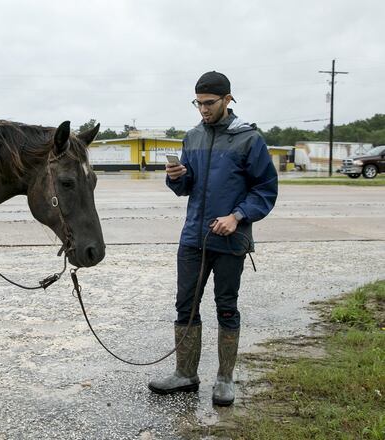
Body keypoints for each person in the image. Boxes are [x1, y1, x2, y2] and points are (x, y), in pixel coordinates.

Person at [148, 71, 278, 406]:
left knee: (226, 307)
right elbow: (186, 187)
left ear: (228, 99)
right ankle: (185, 374)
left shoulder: (249, 139)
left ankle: (224, 380)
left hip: (230, 241)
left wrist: (237, 217)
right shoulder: (192, 137)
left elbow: (265, 190)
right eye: (198, 103)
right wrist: (177, 177)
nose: (203, 109)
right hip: (193, 237)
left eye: (209, 103)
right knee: (185, 306)